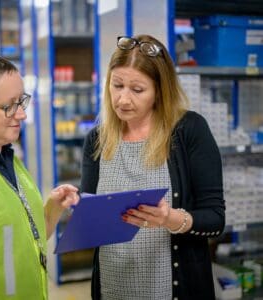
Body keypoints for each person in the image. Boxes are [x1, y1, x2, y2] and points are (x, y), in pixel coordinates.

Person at [80, 35, 225, 300]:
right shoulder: (97, 139)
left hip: (171, 289)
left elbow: (215, 218)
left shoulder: (188, 131)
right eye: (117, 85)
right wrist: (74, 208)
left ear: (160, 90)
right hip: (114, 286)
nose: (123, 99)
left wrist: (172, 219)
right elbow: (90, 222)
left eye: (137, 90)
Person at [0, 52, 80, 300]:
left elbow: (23, 239)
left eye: (21, 101)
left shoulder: (5, 154)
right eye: (8, 107)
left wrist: (52, 210)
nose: (22, 115)